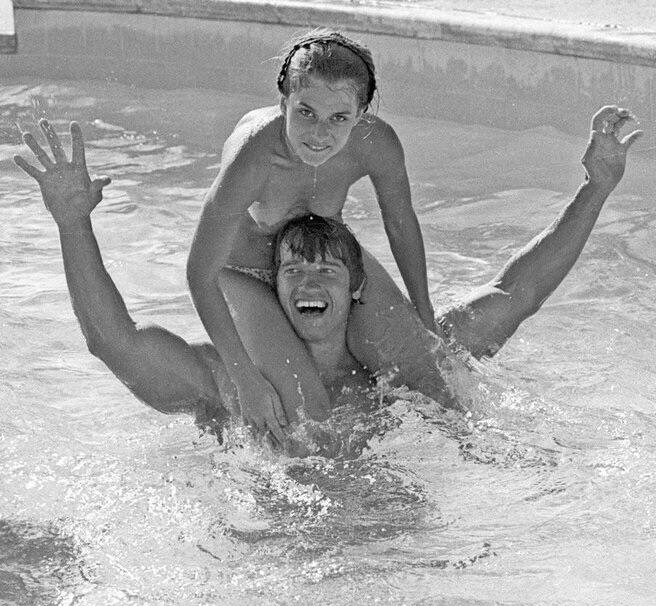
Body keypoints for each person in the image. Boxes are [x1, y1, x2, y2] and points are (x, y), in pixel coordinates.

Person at [14, 105, 640, 445]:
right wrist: (73, 225)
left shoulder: (408, 366)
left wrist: (596, 188)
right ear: (270, 288)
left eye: (327, 270)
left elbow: (517, 293)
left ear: (359, 287)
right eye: (291, 270)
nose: (308, 283)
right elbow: (114, 342)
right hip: (285, 590)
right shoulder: (233, 386)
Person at [185, 29, 449, 439]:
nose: (320, 133)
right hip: (244, 274)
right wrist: (245, 378)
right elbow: (199, 273)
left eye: (339, 118)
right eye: (306, 112)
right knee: (310, 418)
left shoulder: (375, 144)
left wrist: (424, 312)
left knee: (431, 382)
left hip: (324, 258)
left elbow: (399, 223)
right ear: (283, 102)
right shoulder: (253, 157)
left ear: (361, 114)